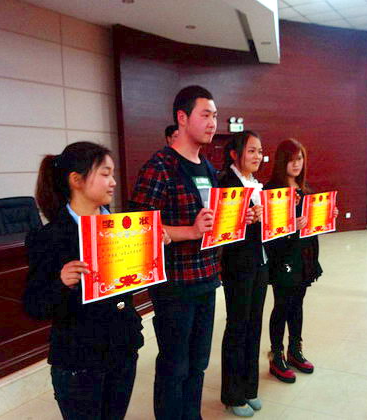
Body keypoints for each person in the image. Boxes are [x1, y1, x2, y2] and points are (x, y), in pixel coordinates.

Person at [23, 141, 144, 420]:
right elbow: (33, 305)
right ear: (76, 180)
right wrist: (61, 282)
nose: (113, 182)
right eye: (105, 174)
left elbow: (131, 286)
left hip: (122, 348)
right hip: (79, 357)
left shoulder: (123, 229)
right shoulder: (49, 237)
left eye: (112, 174)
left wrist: (149, 253)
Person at [130, 85, 225, 420]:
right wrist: (191, 231)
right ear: (182, 118)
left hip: (207, 278)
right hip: (174, 285)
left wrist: (235, 219)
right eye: (205, 114)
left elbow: (211, 220)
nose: (213, 122)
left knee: (198, 363)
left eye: (215, 116)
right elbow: (139, 231)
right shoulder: (160, 167)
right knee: (175, 365)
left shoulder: (208, 168)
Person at [265, 138, 338, 383]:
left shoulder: (306, 190)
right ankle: (276, 355)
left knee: (297, 305)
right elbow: (268, 231)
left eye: (300, 159)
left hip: (304, 256)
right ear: (281, 161)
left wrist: (328, 215)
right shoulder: (271, 191)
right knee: (282, 305)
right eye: (291, 159)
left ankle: (295, 350)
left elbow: (312, 225)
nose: (296, 164)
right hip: (282, 257)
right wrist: (290, 225)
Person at [219, 131, 268, 417]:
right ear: (235, 154)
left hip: (260, 261)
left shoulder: (256, 184)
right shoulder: (227, 184)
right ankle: (232, 394)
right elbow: (222, 227)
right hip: (238, 264)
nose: (257, 156)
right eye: (251, 151)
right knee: (238, 327)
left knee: (254, 325)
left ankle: (249, 388)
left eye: (260, 151)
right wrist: (243, 220)